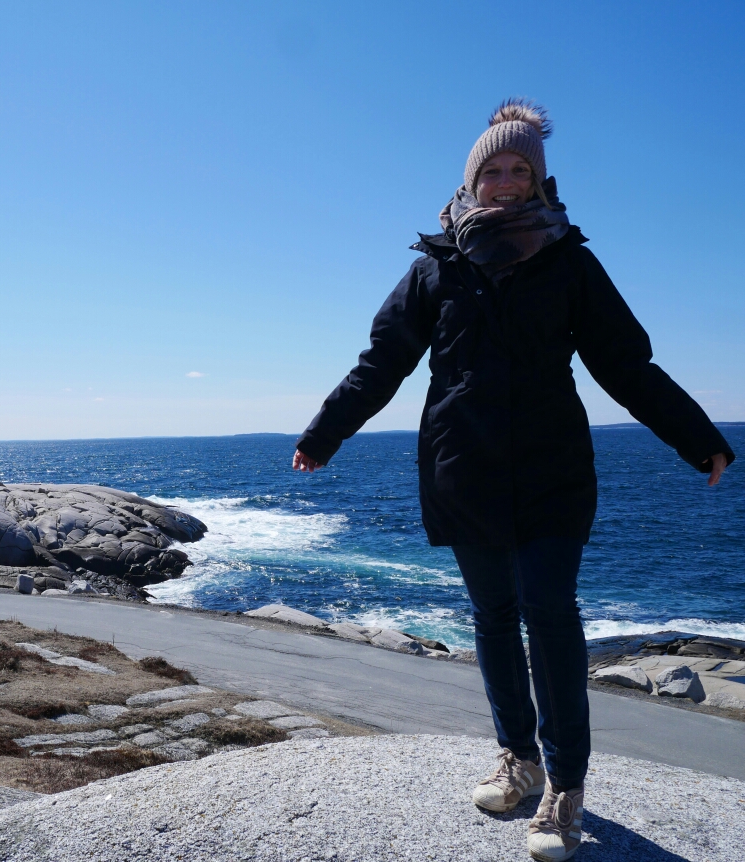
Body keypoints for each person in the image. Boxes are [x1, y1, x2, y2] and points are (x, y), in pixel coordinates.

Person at [292, 99, 733, 862]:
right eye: (491, 170)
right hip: (463, 467)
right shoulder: (437, 265)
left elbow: (626, 365)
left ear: (538, 180)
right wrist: (325, 434)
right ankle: (517, 758)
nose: (503, 182)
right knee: (493, 617)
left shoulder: (569, 261)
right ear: (472, 179)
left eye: (518, 170)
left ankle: (565, 784)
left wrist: (699, 441)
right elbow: (383, 362)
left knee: (549, 610)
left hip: (552, 466)